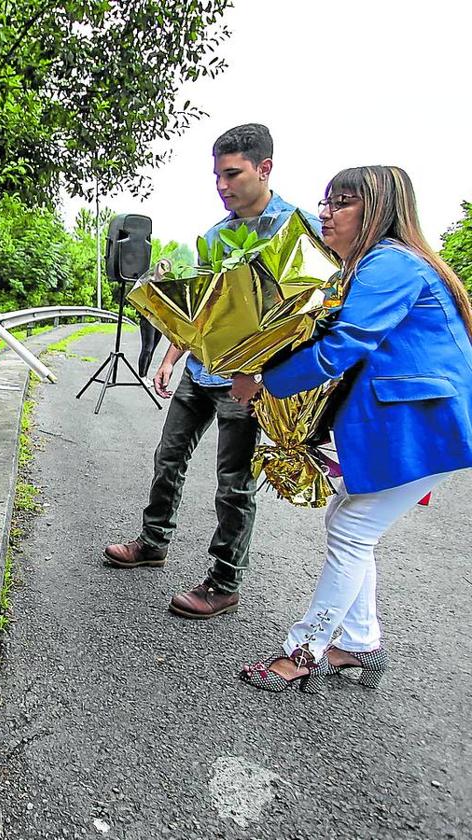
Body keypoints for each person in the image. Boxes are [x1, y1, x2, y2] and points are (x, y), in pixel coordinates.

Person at [230, 165, 472, 692]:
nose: (325, 213)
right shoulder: (381, 264)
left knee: (351, 528)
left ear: (379, 209)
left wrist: (264, 381)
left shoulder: (390, 263)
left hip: (426, 425)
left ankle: (305, 650)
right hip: (413, 422)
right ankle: (359, 643)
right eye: (325, 201)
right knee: (349, 523)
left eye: (341, 203)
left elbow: (342, 346)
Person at [103, 123, 321, 618]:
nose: (222, 186)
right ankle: (153, 541)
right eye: (216, 176)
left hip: (247, 383)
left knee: (233, 483)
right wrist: (170, 356)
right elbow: (200, 312)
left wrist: (273, 379)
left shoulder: (298, 233)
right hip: (200, 372)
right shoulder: (218, 236)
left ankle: (224, 582)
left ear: (264, 168)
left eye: (232, 174)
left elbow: (311, 316)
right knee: (168, 457)